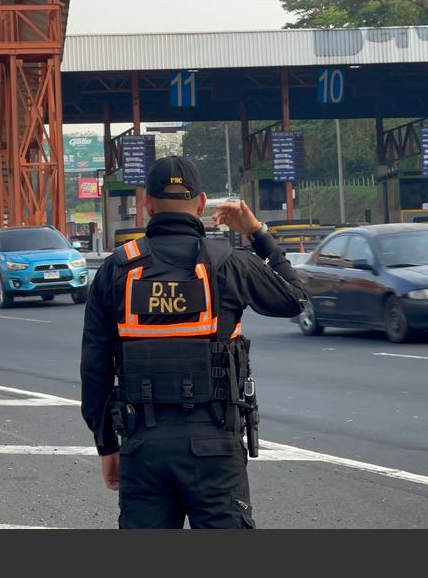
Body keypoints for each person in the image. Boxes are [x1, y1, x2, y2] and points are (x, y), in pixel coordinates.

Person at [80, 155, 307, 529]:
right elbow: (295, 298)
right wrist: (257, 233)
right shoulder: (229, 263)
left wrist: (106, 444)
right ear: (201, 204)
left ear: (146, 203)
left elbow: (96, 367)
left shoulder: (117, 269)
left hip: (142, 446)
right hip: (215, 447)